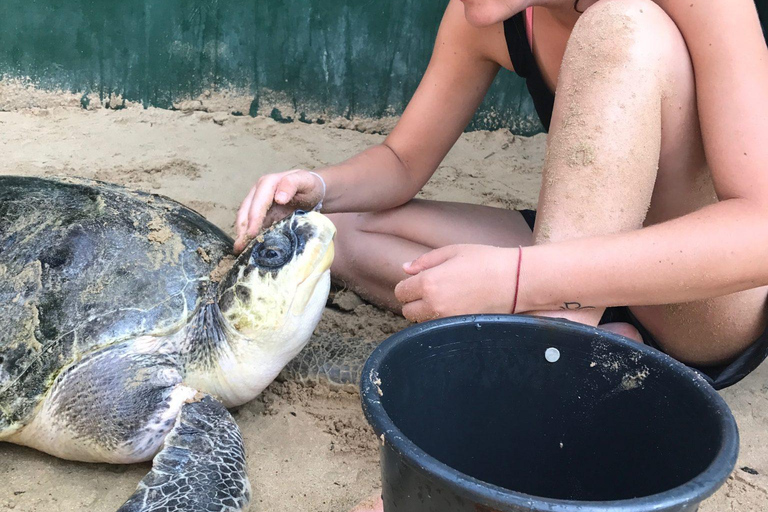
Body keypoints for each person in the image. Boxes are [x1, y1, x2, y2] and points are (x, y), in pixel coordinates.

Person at [236, 0, 768, 507]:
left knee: (621, 28)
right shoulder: (487, 17)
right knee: (329, 232)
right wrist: (318, 186)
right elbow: (401, 160)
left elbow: (760, 232)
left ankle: (503, 459)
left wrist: (519, 277)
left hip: (698, 299)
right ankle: (598, 337)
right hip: (574, 248)